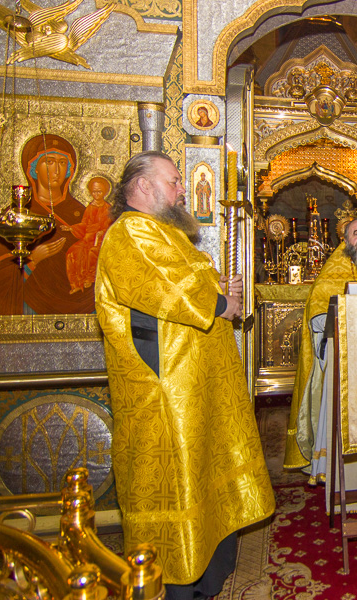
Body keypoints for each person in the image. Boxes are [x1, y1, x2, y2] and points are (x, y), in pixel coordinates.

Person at [95, 151, 274, 600]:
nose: (181, 190)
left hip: (194, 388)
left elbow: (187, 282)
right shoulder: (129, 233)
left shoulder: (164, 233)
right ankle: (179, 585)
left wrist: (219, 288)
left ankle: (206, 578)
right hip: (166, 394)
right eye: (174, 181)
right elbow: (162, 290)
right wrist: (220, 302)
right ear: (142, 185)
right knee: (177, 483)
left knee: (202, 474)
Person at [283, 217, 357, 476]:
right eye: (356, 233)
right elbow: (317, 312)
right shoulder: (332, 272)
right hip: (344, 357)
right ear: (346, 240)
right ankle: (335, 469)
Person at [0, 134, 95, 314]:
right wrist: (33, 259)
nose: (57, 170)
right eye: (49, 162)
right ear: (33, 168)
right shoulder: (14, 216)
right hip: (30, 305)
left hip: (82, 305)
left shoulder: (82, 213)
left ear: (70, 169)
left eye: (62, 163)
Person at [64, 176, 112, 294]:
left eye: (99, 191)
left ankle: (89, 278)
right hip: (87, 238)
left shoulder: (108, 208)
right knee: (72, 253)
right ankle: (75, 283)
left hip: (100, 240)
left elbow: (110, 226)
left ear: (105, 192)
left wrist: (102, 231)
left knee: (91, 253)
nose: (96, 194)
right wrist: (71, 228)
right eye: (94, 192)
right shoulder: (90, 207)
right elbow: (84, 224)